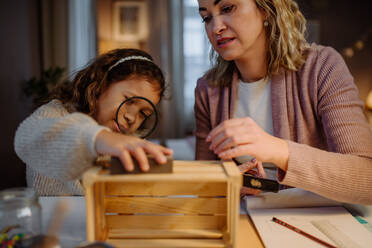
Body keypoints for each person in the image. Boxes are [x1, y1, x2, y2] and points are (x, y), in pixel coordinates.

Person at [195, 0, 372, 204]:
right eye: (206, 18)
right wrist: (227, 186)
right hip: (246, 222)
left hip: (315, 221)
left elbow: (367, 179)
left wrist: (279, 150)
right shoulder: (207, 89)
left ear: (265, 10)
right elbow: (204, 187)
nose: (216, 28)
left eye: (227, 8)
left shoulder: (322, 67)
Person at [14, 48, 173, 196]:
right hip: (52, 223)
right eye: (129, 101)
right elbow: (27, 138)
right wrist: (97, 138)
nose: (132, 117)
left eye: (143, 113)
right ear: (101, 85)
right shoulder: (56, 113)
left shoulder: (130, 140)